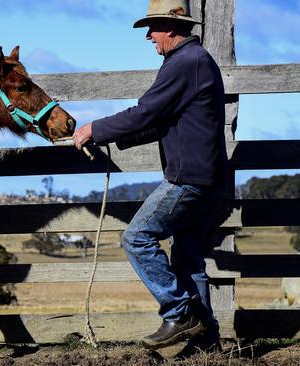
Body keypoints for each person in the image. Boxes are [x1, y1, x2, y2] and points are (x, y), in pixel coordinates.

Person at [73, 0, 228, 352]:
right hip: (209, 178)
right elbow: (162, 120)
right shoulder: (195, 61)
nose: (148, 37)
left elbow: (146, 112)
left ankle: (179, 312)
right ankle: (207, 344)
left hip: (188, 178)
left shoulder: (185, 63)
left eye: (152, 28)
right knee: (188, 260)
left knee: (137, 238)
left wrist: (93, 130)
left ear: (170, 28)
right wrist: (118, 138)